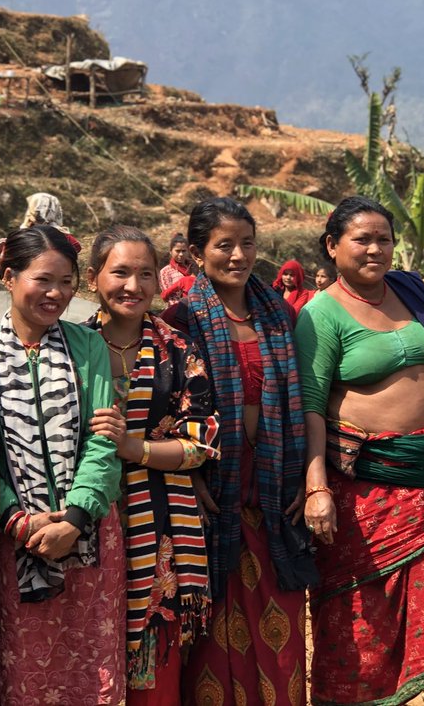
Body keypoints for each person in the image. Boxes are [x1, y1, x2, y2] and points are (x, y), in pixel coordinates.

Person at [294, 195, 424, 705]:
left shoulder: (410, 288)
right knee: (360, 625)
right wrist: (316, 487)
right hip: (363, 494)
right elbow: (311, 405)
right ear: (332, 246)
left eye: (384, 238)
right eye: (362, 239)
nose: (375, 249)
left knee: (419, 620)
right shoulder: (321, 313)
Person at [162, 196, 317, 706]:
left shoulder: (278, 314)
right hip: (215, 493)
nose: (237, 255)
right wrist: (193, 479)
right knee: (212, 637)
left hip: (273, 491)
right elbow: (167, 408)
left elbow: (303, 400)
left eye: (247, 244)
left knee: (283, 629)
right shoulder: (182, 319)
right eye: (223, 245)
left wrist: (302, 478)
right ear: (196, 252)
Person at [0, 224, 126, 705]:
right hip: (16, 539)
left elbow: (102, 443)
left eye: (66, 281)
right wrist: (20, 521)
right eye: (43, 279)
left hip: (88, 532)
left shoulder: (88, 347)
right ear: (9, 277)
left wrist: (75, 520)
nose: (56, 293)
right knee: (22, 666)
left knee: (90, 663)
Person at [82, 225, 220, 704]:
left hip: (159, 526)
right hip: (84, 527)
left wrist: (132, 449)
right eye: (120, 272)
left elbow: (201, 443)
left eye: (145, 274)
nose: (133, 286)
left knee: (152, 667)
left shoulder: (178, 350)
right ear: (92, 277)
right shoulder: (72, 348)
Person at [158, 232, 193, 306]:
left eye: (184, 251)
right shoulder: (165, 271)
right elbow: (166, 296)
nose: (181, 254)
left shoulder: (194, 267)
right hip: (177, 309)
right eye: (177, 251)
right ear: (170, 252)